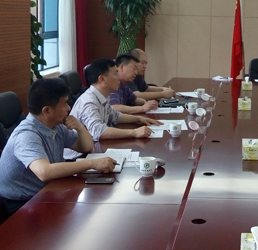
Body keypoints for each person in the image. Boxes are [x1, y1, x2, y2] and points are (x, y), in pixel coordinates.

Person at [0, 79, 116, 218]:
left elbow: (86, 147)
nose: (69, 108)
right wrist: (92, 163)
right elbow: (44, 172)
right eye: (65, 104)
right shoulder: (26, 135)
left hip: (47, 191)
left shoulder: (56, 126)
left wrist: (79, 127)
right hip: (20, 205)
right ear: (47, 111)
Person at [66, 58, 162, 159]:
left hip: (95, 149)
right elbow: (99, 131)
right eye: (116, 74)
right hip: (78, 158)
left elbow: (115, 115)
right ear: (102, 79)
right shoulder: (89, 102)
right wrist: (134, 132)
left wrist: (138, 118)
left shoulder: (101, 96)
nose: (119, 78)